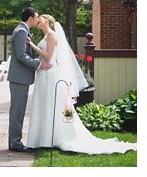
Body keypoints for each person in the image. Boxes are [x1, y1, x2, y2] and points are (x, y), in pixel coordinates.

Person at [26, 15, 136, 154]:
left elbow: (49, 56)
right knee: (45, 104)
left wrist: (32, 45)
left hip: (50, 74)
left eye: (40, 18)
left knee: (54, 104)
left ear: (47, 21)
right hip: (43, 74)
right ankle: (44, 138)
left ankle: (57, 137)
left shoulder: (52, 35)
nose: (38, 20)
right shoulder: (46, 35)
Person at [8, 7, 52, 153]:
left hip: (20, 78)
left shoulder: (23, 30)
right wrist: (38, 64)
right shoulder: (21, 31)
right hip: (19, 78)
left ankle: (15, 142)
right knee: (17, 111)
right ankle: (15, 143)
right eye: (37, 16)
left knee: (18, 110)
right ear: (31, 18)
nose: (38, 19)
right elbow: (21, 55)